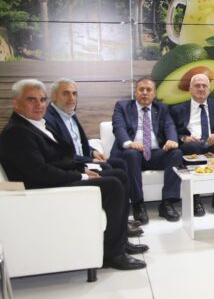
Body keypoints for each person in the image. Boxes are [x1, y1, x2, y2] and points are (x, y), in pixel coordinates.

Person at [0, 79, 147, 270]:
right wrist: (81, 176)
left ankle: (119, 242)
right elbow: (39, 173)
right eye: (31, 99)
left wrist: (81, 169)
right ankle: (113, 254)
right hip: (41, 190)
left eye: (42, 99)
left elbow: (60, 158)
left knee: (120, 174)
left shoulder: (35, 124)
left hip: (53, 179)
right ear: (16, 103)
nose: (39, 105)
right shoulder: (17, 132)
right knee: (112, 184)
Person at [45, 78, 143, 238]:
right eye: (66, 93)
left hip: (81, 160)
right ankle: (119, 227)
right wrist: (89, 161)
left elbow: (76, 143)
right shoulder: (49, 120)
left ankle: (122, 220)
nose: (71, 98)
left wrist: (92, 153)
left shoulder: (69, 114)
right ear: (54, 96)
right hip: (74, 166)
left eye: (74, 93)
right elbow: (62, 154)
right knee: (112, 170)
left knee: (120, 164)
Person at [111, 77, 183, 224]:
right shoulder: (122, 106)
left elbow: (169, 125)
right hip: (132, 154)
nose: (144, 93)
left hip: (154, 153)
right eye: (141, 89)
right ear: (135, 92)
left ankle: (167, 203)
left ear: (154, 93)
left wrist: (172, 140)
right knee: (131, 154)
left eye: (148, 90)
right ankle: (138, 204)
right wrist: (130, 143)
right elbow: (118, 127)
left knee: (176, 153)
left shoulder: (162, 108)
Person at [170, 73, 214, 216]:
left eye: (204, 86)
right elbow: (171, 131)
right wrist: (184, 138)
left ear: (209, 90)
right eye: (197, 86)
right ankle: (196, 198)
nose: (201, 88)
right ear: (190, 90)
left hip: (212, 143)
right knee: (192, 147)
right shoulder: (178, 109)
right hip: (192, 144)